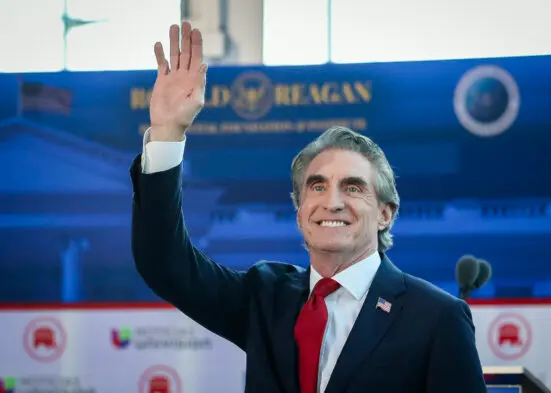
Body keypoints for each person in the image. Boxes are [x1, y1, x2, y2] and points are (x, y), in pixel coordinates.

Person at [131, 21, 487, 393]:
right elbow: (164, 263)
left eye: (352, 187)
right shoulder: (266, 298)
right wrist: (168, 133)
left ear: (386, 213)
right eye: (317, 186)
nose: (331, 202)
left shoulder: (436, 316)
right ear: (300, 213)